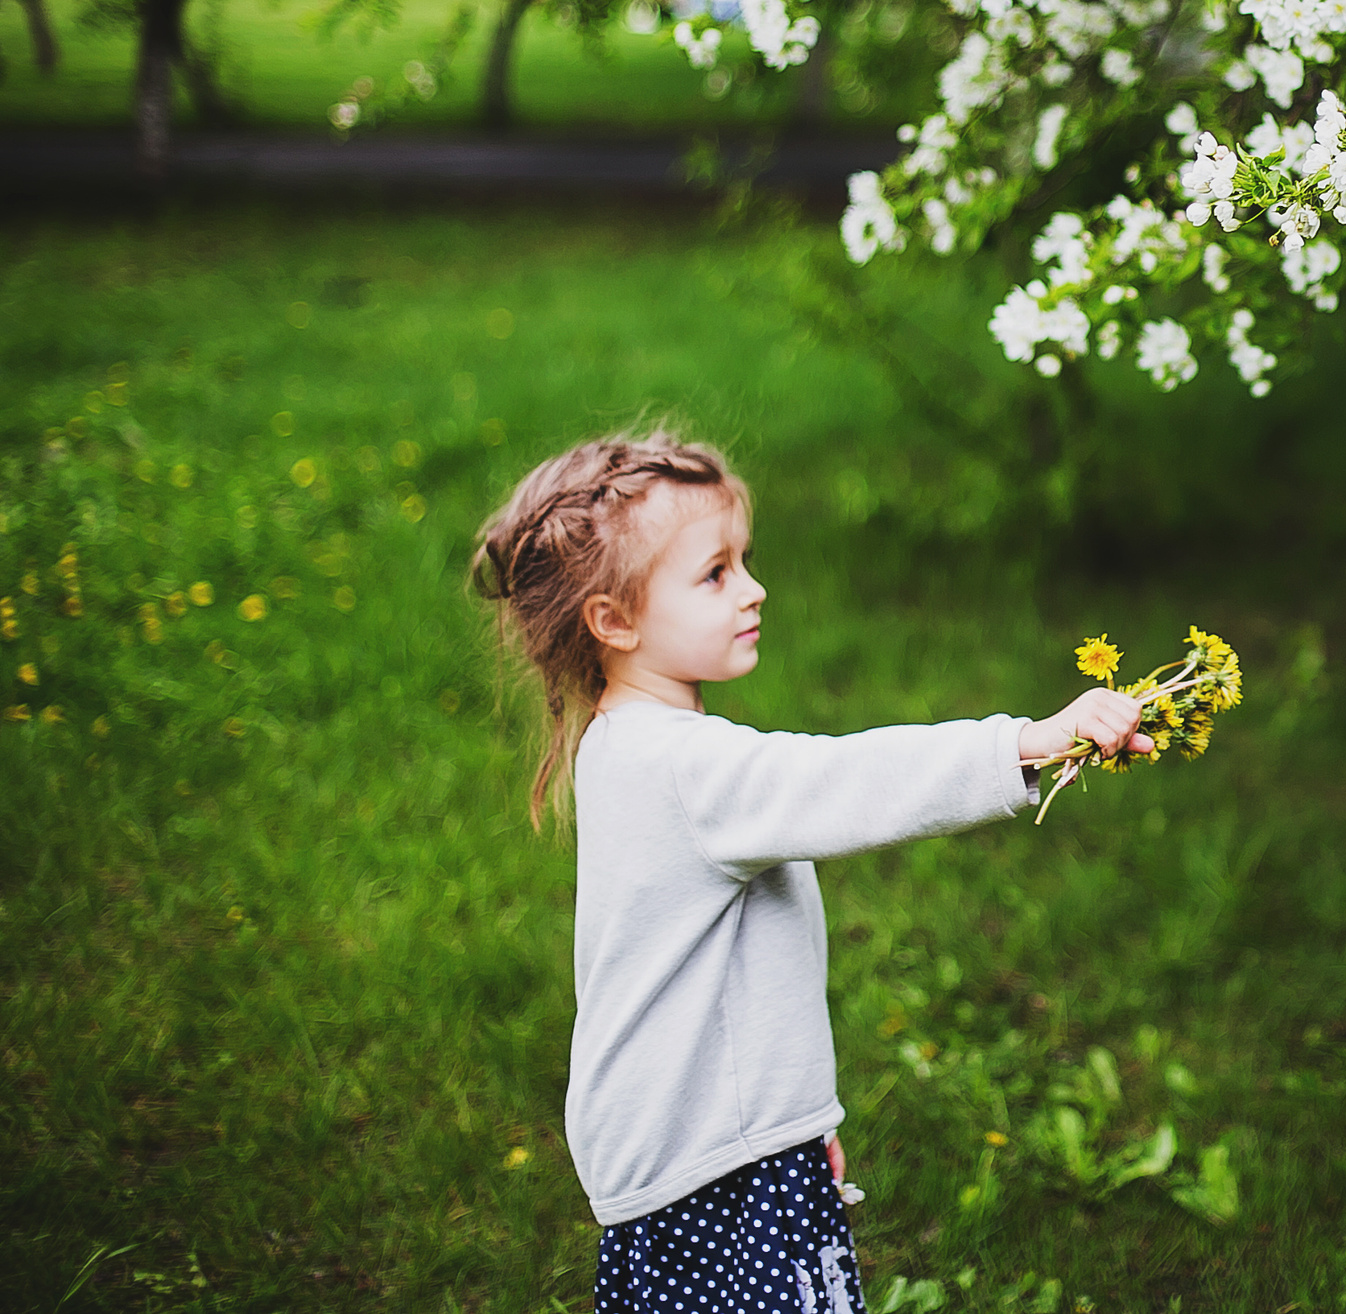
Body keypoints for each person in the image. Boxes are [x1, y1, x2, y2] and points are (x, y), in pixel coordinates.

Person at [472, 430, 1149, 1314]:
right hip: (714, 1177)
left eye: (743, 561)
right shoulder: (689, 768)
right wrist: (1029, 742)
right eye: (715, 574)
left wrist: (795, 1130)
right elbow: (852, 781)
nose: (753, 590)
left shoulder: (624, 743)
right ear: (614, 620)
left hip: (690, 1152)